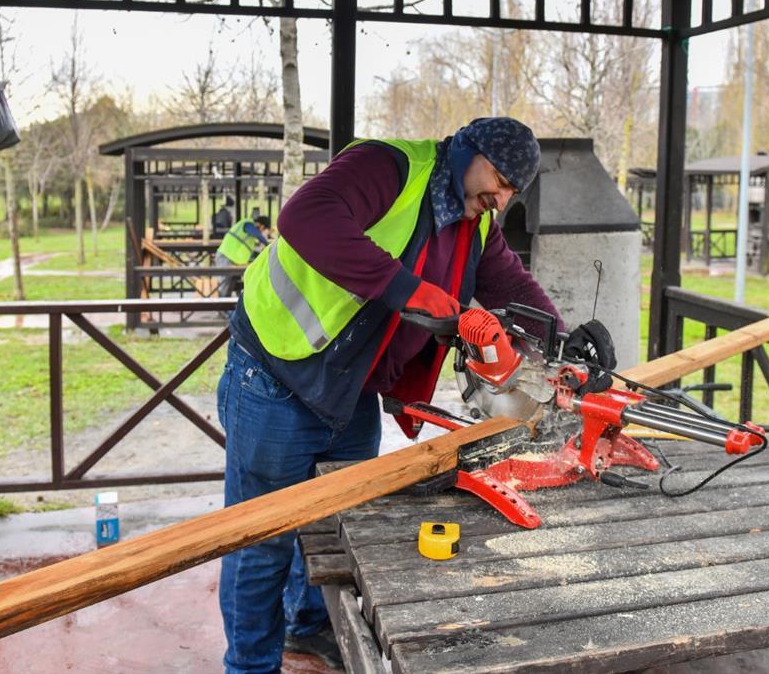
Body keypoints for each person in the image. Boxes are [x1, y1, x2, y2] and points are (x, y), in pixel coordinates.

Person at [215, 117, 575, 673]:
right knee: (262, 539)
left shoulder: (477, 223)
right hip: (274, 373)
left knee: (337, 524)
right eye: (500, 181)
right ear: (469, 151)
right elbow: (304, 217)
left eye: (512, 193)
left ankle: (306, 629)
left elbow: (511, 283)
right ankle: (250, 666)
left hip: (350, 388)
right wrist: (406, 290)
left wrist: (565, 345)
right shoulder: (388, 167)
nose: (501, 200)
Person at [214, 214, 271, 297]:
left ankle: (227, 302)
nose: (262, 231)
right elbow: (257, 235)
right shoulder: (248, 225)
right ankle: (221, 303)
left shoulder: (249, 236)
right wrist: (268, 245)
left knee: (231, 284)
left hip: (233, 260)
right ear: (261, 225)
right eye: (264, 229)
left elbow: (248, 249)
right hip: (225, 256)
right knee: (224, 284)